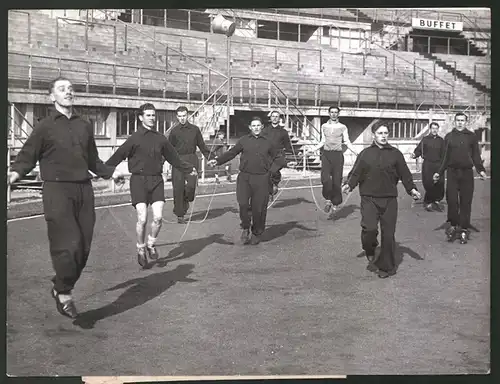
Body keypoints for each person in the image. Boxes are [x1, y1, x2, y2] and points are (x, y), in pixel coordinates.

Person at [7, 77, 124, 319]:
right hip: (57, 191)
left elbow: (93, 160)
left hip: (84, 190)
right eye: (62, 89)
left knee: (84, 247)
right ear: (52, 97)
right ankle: (63, 292)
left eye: (70, 89)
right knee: (68, 244)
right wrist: (16, 172)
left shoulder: (84, 125)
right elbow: (28, 154)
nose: (68, 92)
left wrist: (111, 173)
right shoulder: (45, 126)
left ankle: (60, 284)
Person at [105, 103, 197, 268]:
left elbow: (174, 158)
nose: (152, 118)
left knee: (158, 217)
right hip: (138, 181)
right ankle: (140, 249)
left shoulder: (160, 138)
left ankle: (151, 244)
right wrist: (104, 170)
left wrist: (189, 169)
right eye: (148, 115)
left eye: (154, 115)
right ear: (141, 118)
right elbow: (117, 156)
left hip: (156, 181)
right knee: (142, 218)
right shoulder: (134, 138)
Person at [342, 123, 421, 279]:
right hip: (369, 198)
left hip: (389, 199)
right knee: (369, 229)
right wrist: (348, 185)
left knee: (388, 234)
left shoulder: (396, 154)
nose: (383, 136)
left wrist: (411, 189)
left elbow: (405, 174)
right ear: (374, 135)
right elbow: (356, 173)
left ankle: (386, 267)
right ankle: (369, 248)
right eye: (380, 133)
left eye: (386, 133)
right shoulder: (365, 154)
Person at [207, 117, 277, 245]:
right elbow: (232, 152)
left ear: (262, 127)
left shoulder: (269, 142)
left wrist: (275, 179)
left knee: (259, 208)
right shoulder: (244, 140)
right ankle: (245, 227)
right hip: (244, 177)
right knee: (243, 204)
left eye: (258, 125)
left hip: (262, 178)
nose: (256, 128)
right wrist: (217, 161)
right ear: (250, 127)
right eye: (253, 125)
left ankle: (256, 232)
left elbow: (277, 158)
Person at [433, 112, 487, 244]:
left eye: (462, 120)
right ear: (454, 121)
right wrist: (438, 172)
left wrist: (480, 170)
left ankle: (463, 229)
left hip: (467, 173)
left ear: (466, 122)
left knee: (465, 202)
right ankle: (452, 227)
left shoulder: (472, 137)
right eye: (458, 120)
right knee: (452, 201)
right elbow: (444, 158)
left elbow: (475, 155)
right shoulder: (449, 137)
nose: (460, 122)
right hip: (452, 173)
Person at [307, 106, 358, 214]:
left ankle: (335, 203)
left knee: (336, 181)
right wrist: (312, 150)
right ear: (329, 113)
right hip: (326, 155)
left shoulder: (343, 127)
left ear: (338, 114)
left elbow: (347, 141)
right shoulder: (324, 126)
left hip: (338, 156)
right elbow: (322, 141)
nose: (334, 114)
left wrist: (356, 152)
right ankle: (328, 200)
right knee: (325, 179)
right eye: (332, 112)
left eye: (336, 112)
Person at [168, 106, 212, 224]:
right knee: (178, 188)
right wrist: (163, 162)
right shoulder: (174, 131)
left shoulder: (195, 129)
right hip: (178, 161)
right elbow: (168, 149)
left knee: (191, 187)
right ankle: (180, 215)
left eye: (184, 116)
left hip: (192, 160)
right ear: (177, 117)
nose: (182, 118)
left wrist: (211, 158)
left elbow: (202, 145)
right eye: (180, 116)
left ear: (188, 116)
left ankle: (187, 200)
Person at [411, 122, 446, 211]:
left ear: (438, 129)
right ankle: (429, 202)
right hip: (428, 164)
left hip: (438, 164)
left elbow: (444, 154)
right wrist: (415, 154)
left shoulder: (441, 140)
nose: (434, 130)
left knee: (440, 183)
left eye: (436, 128)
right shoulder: (425, 139)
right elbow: (419, 149)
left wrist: (443, 165)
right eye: (433, 128)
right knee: (428, 183)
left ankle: (437, 201)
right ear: (430, 129)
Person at [262, 110, 294, 199]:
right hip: (267, 155)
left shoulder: (283, 131)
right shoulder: (265, 130)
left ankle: (275, 183)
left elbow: (288, 144)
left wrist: (294, 152)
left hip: (279, 155)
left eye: (277, 116)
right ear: (270, 118)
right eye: (273, 116)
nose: (275, 118)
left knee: (274, 171)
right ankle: (270, 190)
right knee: (266, 173)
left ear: (279, 118)